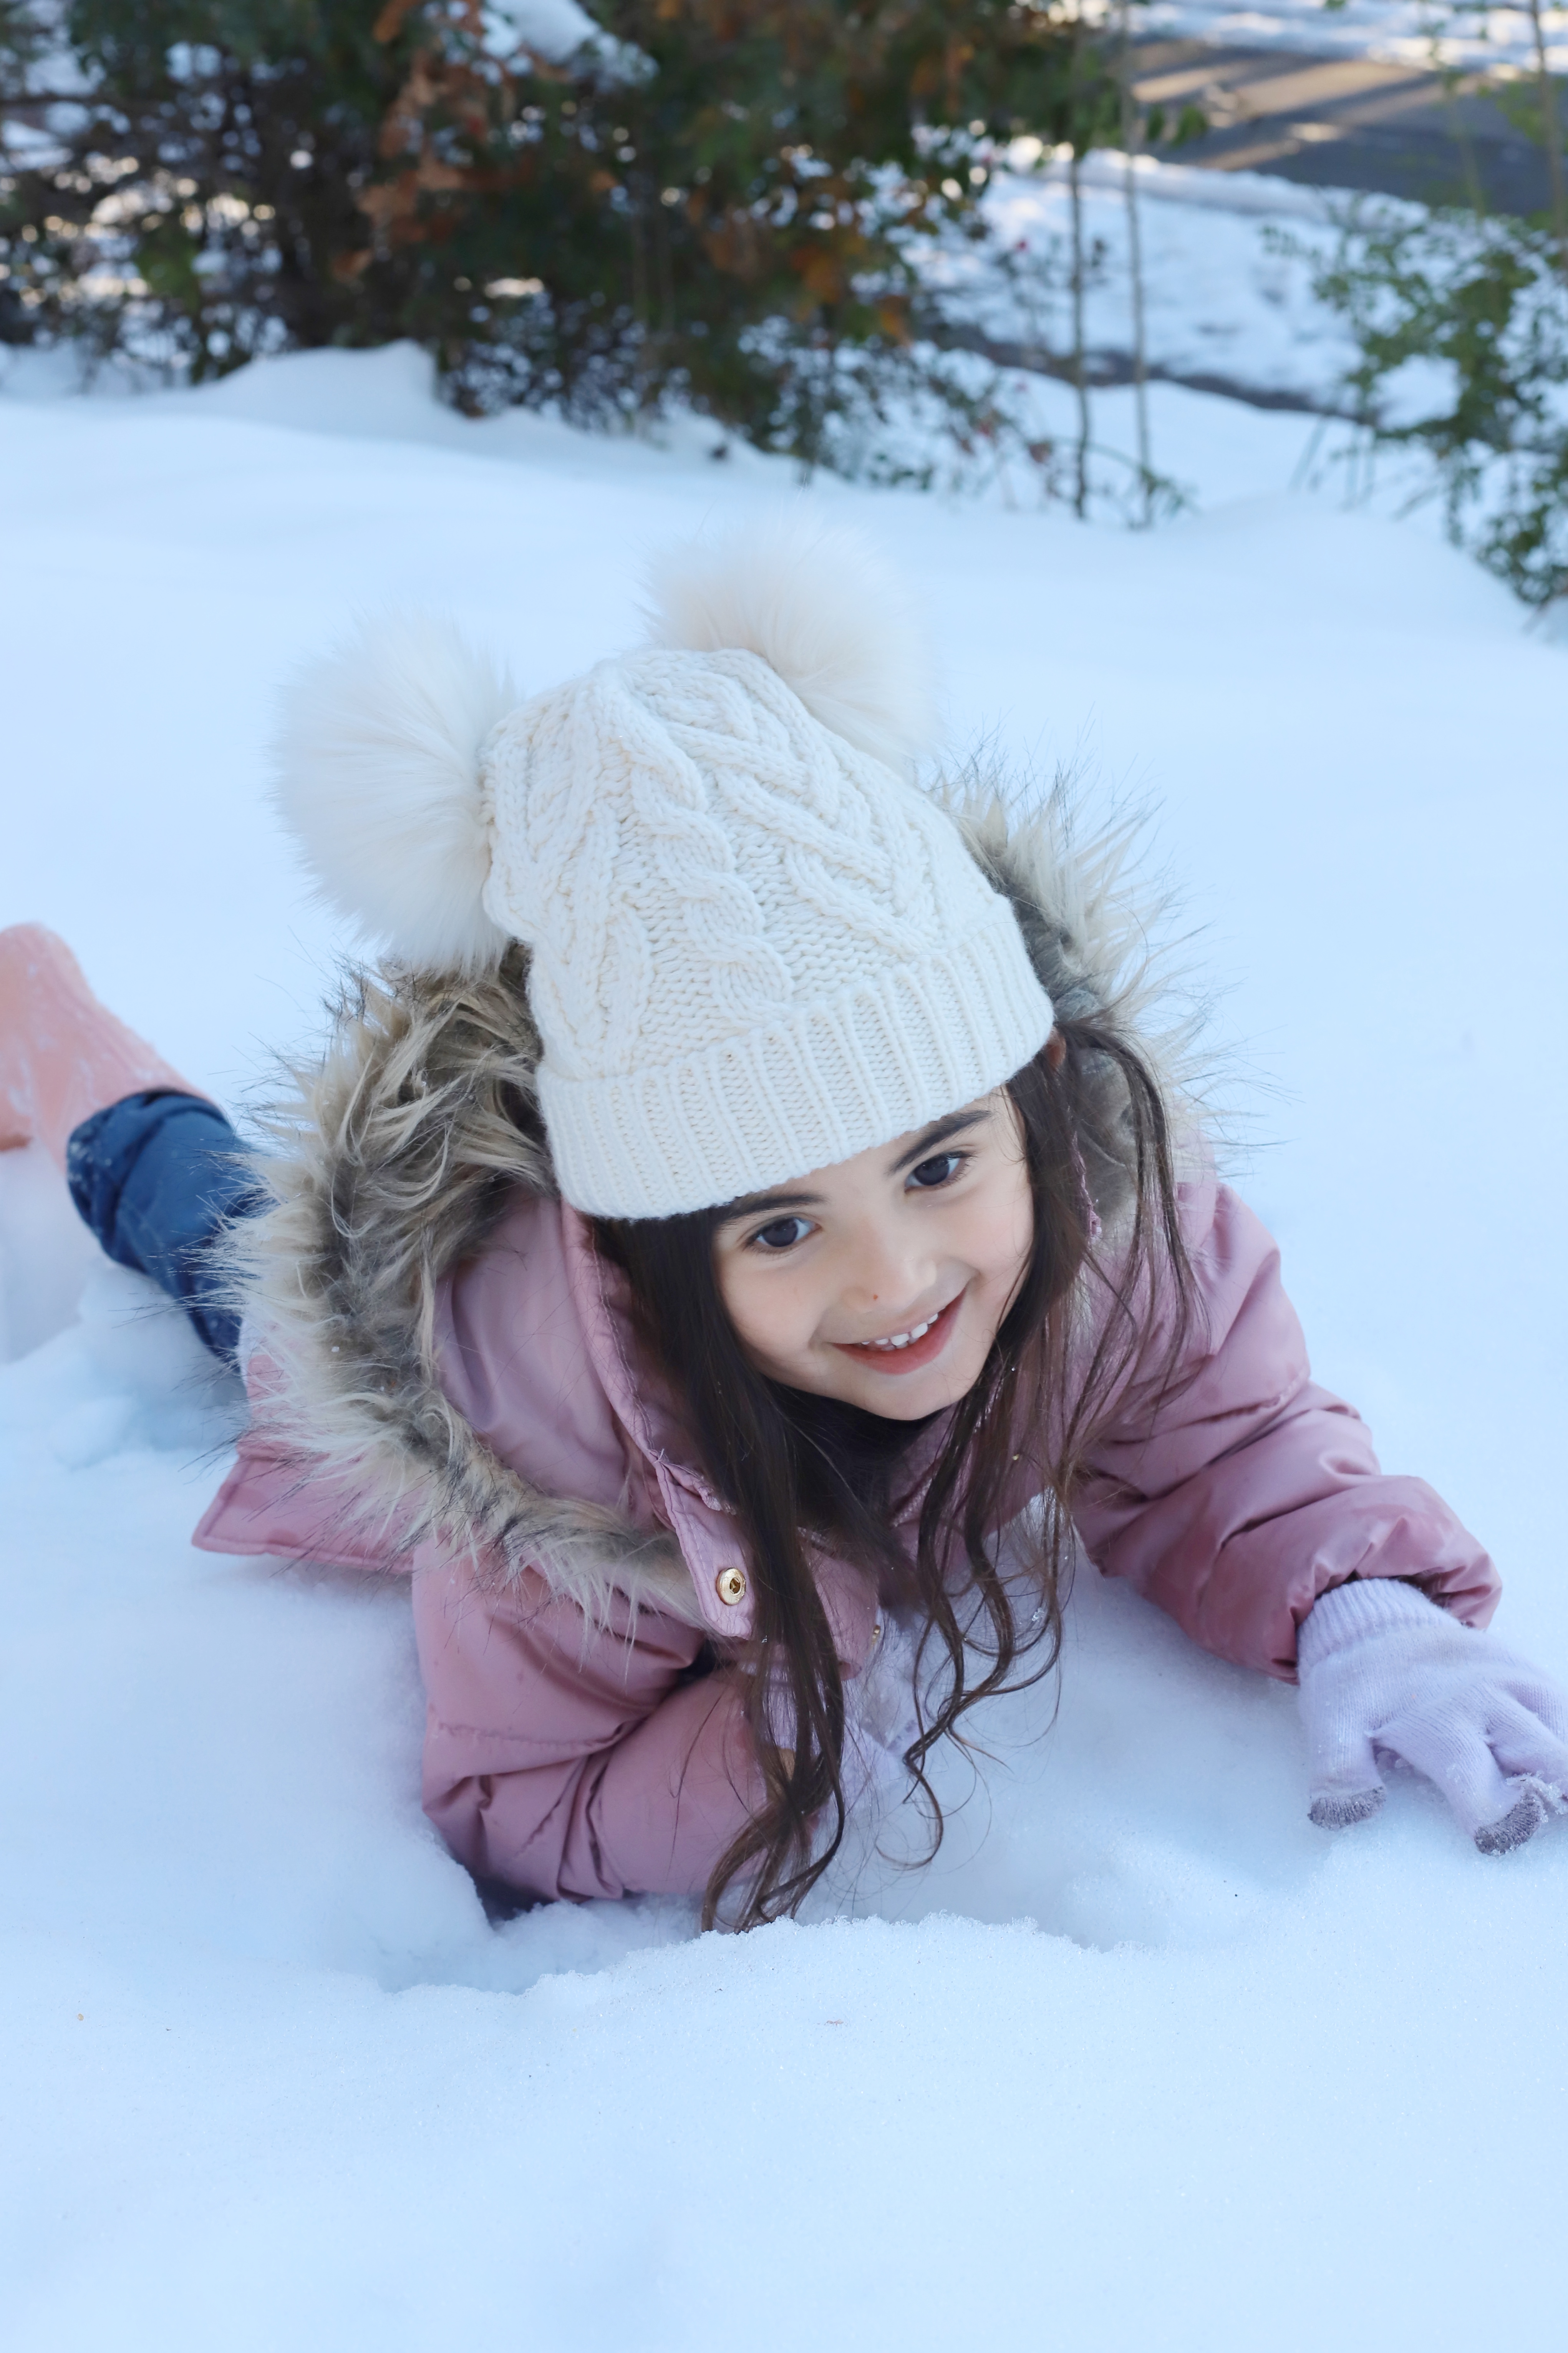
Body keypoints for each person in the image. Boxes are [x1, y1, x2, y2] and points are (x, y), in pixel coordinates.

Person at [4, 522, 1565, 1930]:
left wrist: (1363, 1607)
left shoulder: (1103, 1222)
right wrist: (770, 1756)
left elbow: (1225, 1441)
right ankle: (60, 1040)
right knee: (218, 1238)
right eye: (776, 1230)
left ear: (1031, 1096)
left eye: (940, 1165)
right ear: (651, 1248)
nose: (893, 1279)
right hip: (424, 1363)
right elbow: (522, 1792)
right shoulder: (534, 1431)